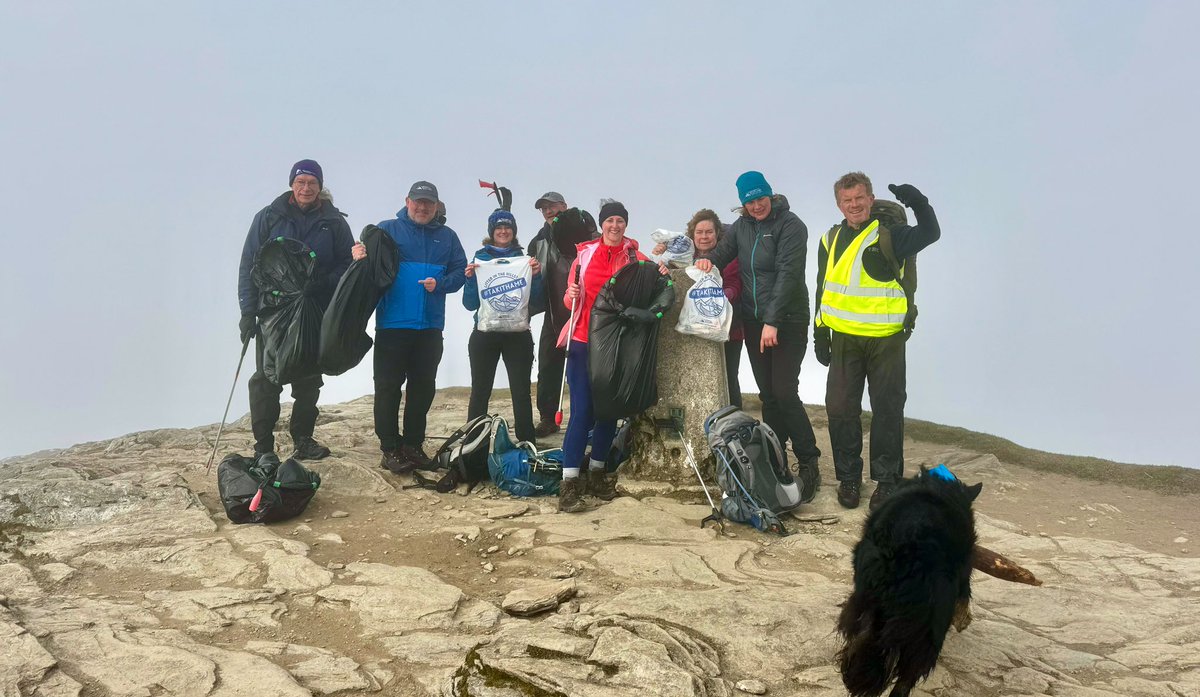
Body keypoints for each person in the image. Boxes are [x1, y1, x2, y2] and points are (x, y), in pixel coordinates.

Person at [814, 172, 941, 511]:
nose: (853, 205)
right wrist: (819, 331)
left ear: (870, 199)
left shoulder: (892, 235)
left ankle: (886, 482)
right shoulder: (829, 239)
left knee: (886, 410)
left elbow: (931, 233)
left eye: (859, 198)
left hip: (885, 339)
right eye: (847, 200)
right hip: (843, 339)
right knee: (840, 409)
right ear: (839, 204)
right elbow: (822, 288)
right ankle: (849, 479)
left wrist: (917, 201)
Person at [696, 171, 822, 503]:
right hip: (754, 320)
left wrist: (773, 321)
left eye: (760, 198)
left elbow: (788, 274)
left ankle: (809, 462)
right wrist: (698, 263)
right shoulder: (741, 228)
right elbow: (719, 254)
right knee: (768, 394)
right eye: (749, 201)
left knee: (784, 390)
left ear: (770, 193)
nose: (756, 206)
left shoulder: (792, 226)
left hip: (787, 320)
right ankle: (775, 457)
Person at [237, 159, 353, 462]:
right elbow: (249, 264)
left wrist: (324, 283)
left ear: (320, 186)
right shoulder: (269, 217)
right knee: (266, 377)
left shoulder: (334, 222)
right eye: (301, 182)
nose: (306, 188)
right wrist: (248, 311)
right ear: (292, 184)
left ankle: (303, 439)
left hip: (316, 306)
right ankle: (263, 447)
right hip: (273, 309)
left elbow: (347, 264)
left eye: (312, 183)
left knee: (309, 376)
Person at [351, 181, 468, 474]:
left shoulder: (448, 237)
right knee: (388, 387)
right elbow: (366, 264)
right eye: (418, 201)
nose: (423, 207)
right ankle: (389, 448)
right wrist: (357, 255)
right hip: (392, 324)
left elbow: (459, 273)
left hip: (430, 326)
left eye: (429, 203)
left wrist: (440, 283)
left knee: (422, 388)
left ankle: (413, 446)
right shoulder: (387, 229)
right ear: (407, 201)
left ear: (437, 206)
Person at [557, 200, 666, 512]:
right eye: (610, 221)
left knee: (608, 410)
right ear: (602, 224)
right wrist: (570, 295)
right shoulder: (585, 254)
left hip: (616, 344)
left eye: (620, 221)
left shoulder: (635, 256)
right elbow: (569, 299)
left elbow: (655, 278)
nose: (615, 226)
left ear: (625, 225)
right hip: (581, 339)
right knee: (582, 410)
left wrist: (660, 268)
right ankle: (569, 483)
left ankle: (598, 473)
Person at [462, 209, 543, 443]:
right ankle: (473, 443)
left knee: (521, 392)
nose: (503, 231)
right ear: (492, 232)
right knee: (480, 392)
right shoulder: (479, 260)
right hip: (484, 335)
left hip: (518, 335)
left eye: (508, 227)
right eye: (498, 228)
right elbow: (469, 305)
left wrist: (536, 276)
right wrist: (469, 280)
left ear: (514, 231)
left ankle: (527, 443)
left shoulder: (524, 261)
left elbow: (536, 301)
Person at [655, 209, 744, 408]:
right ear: (692, 235)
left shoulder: (729, 255)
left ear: (717, 233)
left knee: (729, 378)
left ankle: (734, 423)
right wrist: (663, 260)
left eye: (709, 232)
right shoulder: (684, 255)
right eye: (699, 232)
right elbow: (670, 275)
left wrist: (721, 297)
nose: (704, 237)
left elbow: (735, 284)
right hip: (692, 328)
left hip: (729, 329)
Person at [526, 191, 571, 437]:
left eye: (552, 206)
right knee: (548, 365)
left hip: (584, 313)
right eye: (544, 208)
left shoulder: (585, 231)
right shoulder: (538, 241)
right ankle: (547, 417)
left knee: (588, 368)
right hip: (553, 312)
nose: (548, 211)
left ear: (564, 206)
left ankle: (593, 418)